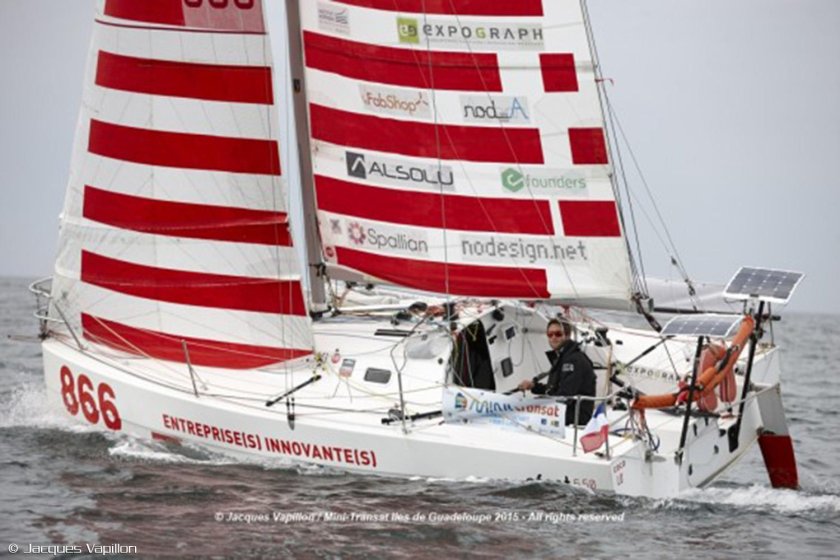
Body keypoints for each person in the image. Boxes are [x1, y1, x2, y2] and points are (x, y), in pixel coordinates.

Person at [517, 318, 596, 426]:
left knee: (522, 414)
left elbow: (565, 396)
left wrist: (538, 403)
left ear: (567, 336)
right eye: (550, 334)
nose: (553, 337)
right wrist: (533, 386)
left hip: (575, 416)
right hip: (566, 410)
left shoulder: (573, 360)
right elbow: (555, 390)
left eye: (558, 334)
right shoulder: (564, 356)